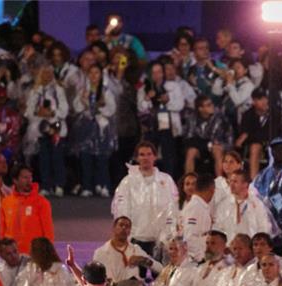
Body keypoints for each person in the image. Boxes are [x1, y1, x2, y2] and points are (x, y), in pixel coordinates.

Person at [111, 141, 179, 260]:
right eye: (142, 154)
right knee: (135, 276)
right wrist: (125, 233)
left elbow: (174, 208)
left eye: (149, 154)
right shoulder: (128, 182)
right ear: (137, 158)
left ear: (155, 156)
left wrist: (169, 233)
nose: (146, 158)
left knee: (159, 275)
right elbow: (120, 209)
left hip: (160, 239)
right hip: (136, 237)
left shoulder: (166, 180)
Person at [73, 62, 117, 197]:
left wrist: (100, 107)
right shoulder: (83, 90)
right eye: (91, 73)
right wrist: (82, 99)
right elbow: (77, 107)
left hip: (101, 129)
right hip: (87, 127)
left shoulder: (106, 91)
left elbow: (111, 109)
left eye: (96, 73)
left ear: (101, 75)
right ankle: (87, 186)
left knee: (102, 158)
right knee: (86, 157)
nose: (93, 76)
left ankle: (103, 185)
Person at [24, 65, 69, 197]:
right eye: (44, 73)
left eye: (50, 73)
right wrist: (39, 112)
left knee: (57, 157)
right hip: (40, 129)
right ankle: (45, 185)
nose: (47, 76)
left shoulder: (58, 90)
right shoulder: (35, 91)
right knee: (44, 158)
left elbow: (64, 110)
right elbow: (28, 112)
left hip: (56, 129)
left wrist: (52, 113)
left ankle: (59, 185)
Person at [138, 60, 184, 178]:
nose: (157, 75)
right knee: (149, 155)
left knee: (169, 155)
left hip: (167, 125)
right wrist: (147, 98)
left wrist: (168, 101)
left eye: (159, 72)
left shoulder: (173, 86)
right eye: (153, 73)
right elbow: (140, 109)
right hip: (151, 126)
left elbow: (180, 105)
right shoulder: (144, 89)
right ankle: (149, 180)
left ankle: (168, 182)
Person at [0, 165, 54, 255]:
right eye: (25, 177)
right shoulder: (6, 202)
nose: (29, 181)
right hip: (13, 256)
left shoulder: (41, 202)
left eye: (30, 177)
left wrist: (47, 253)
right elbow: (3, 230)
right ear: (15, 180)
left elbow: (48, 232)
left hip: (35, 255)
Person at [92, 216, 162, 286]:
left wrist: (144, 260)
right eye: (121, 225)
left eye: (127, 226)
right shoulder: (100, 253)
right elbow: (94, 280)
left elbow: (161, 269)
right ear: (114, 228)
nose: (124, 228)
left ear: (129, 232)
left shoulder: (135, 250)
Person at [213, 170, 272, 243]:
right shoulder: (223, 205)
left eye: (235, 182)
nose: (231, 184)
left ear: (245, 184)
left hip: (250, 249)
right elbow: (218, 228)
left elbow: (264, 228)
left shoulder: (257, 205)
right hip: (228, 249)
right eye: (231, 181)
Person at [182, 95, 233, 178]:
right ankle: (189, 181)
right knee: (191, 151)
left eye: (211, 104)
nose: (212, 106)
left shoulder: (221, 118)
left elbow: (229, 141)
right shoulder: (192, 119)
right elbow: (188, 139)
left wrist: (219, 145)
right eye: (208, 105)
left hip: (218, 148)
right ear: (200, 109)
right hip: (200, 149)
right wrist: (208, 144)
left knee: (217, 150)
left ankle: (220, 183)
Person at [179, 173, 215, 263]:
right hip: (194, 261)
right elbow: (189, 236)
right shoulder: (195, 208)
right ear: (211, 190)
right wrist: (200, 258)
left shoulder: (201, 207)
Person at [235, 89, 270, 179]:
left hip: (271, 143)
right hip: (254, 143)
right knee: (254, 147)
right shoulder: (248, 115)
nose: (263, 102)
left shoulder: (274, 114)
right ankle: (253, 181)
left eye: (264, 98)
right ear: (254, 101)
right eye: (259, 99)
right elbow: (245, 134)